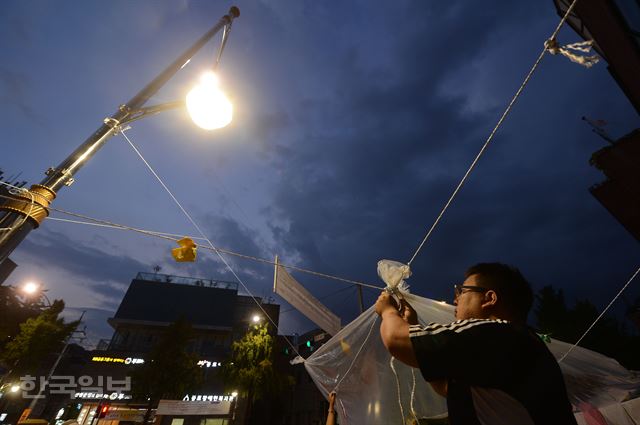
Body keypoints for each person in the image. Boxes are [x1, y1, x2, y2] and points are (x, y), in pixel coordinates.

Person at [375, 262, 578, 425]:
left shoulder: (492, 333)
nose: (456, 300)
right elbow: (446, 387)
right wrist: (411, 323)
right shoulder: (516, 341)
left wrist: (387, 310)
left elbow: (395, 339)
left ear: (489, 298)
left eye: (462, 291)